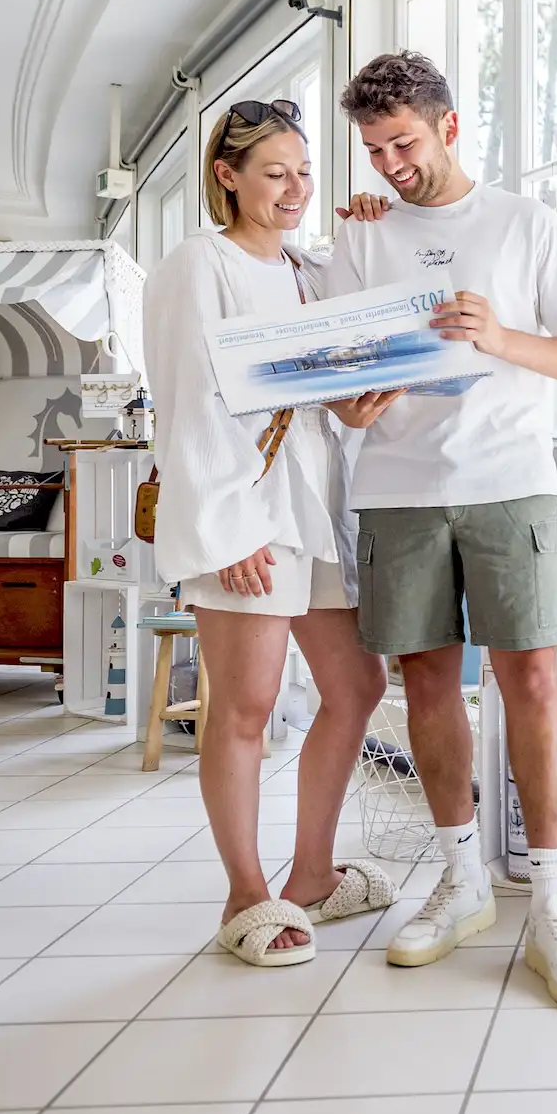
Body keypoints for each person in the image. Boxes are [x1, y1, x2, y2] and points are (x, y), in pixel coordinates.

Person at [322, 50, 557, 1006]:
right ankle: (461, 880)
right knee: (427, 683)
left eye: (402, 143)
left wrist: (497, 339)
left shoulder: (525, 224)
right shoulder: (361, 237)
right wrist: (353, 411)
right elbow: (340, 383)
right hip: (396, 487)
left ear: (449, 126)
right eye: (373, 150)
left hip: (510, 482)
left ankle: (550, 900)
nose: (390, 165)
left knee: (531, 679)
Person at [142, 98, 394, 966]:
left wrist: (355, 406)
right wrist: (228, 532)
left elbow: (333, 373)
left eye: (303, 171)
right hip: (243, 514)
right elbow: (186, 408)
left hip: (314, 506)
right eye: (274, 172)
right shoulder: (195, 265)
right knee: (246, 708)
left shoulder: (305, 269)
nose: (294, 189)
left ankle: (314, 874)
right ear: (227, 176)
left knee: (355, 687)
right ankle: (245, 893)